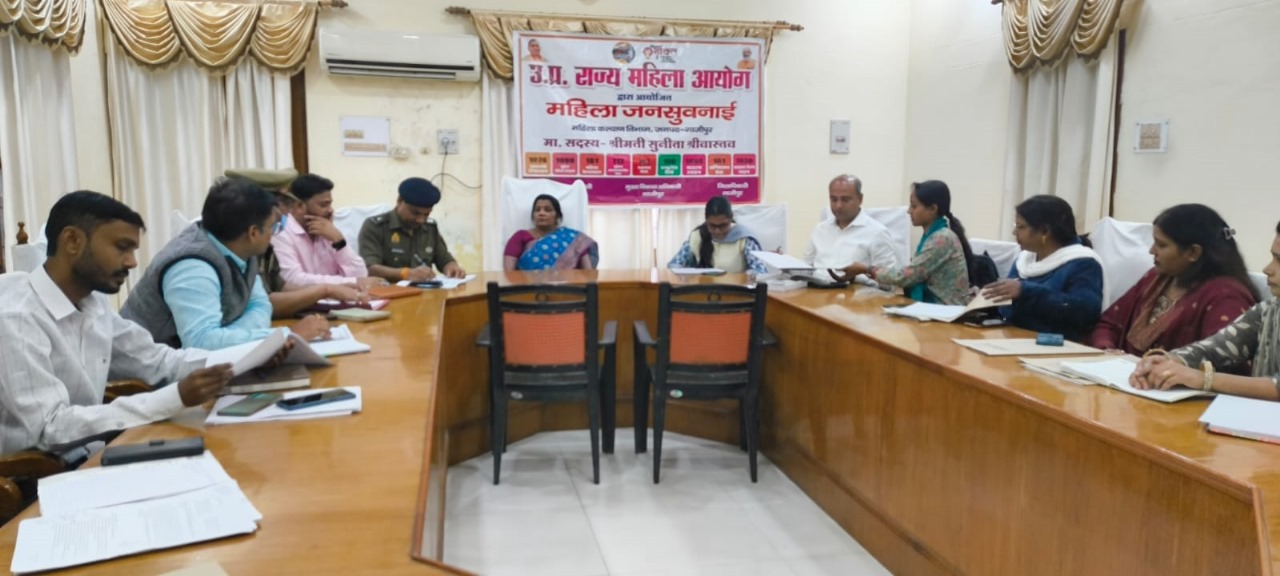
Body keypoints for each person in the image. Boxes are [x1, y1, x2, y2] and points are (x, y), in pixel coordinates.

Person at [0, 192, 234, 458]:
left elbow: (156, 361)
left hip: (90, 455)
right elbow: (51, 428)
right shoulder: (17, 317)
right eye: (122, 247)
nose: (132, 262)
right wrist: (175, 397)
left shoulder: (92, 302)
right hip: (33, 475)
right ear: (72, 241)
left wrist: (247, 360)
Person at [122, 177, 284, 349]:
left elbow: (261, 306)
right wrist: (280, 336)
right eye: (272, 227)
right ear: (253, 233)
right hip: (138, 363)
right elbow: (201, 343)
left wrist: (226, 338)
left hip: (200, 362)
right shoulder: (191, 266)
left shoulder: (242, 252)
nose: (273, 234)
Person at [1132, 220, 1280, 400]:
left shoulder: (1227, 293)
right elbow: (1216, 349)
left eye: (1279, 260)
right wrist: (1169, 362)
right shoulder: (1269, 310)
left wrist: (1204, 379)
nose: (1268, 269)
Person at [1089, 204, 1259, 355]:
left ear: (1193, 252)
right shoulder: (1155, 278)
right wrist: (1108, 350)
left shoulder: (1226, 297)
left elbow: (1218, 363)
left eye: (1161, 245)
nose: (1151, 251)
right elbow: (1108, 324)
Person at [224, 167, 365, 327]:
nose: (276, 230)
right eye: (276, 222)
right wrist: (326, 290)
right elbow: (267, 301)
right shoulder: (244, 246)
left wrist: (339, 242)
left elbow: (281, 287)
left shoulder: (325, 230)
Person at [982, 195, 1105, 342]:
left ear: (1045, 231)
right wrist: (986, 301)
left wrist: (1025, 291)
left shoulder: (1083, 263)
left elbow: (1085, 313)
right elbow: (1007, 309)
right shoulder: (1024, 260)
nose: (1014, 232)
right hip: (1015, 337)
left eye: (1021, 227)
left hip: (1057, 345)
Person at [831, 180, 974, 305]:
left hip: (944, 313)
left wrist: (866, 269)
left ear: (932, 209)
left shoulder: (941, 238)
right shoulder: (933, 235)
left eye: (914, 206)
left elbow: (907, 276)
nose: (908, 211)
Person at [271, 173, 378, 288]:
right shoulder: (281, 232)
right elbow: (292, 279)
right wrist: (349, 282)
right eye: (323, 205)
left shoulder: (328, 230)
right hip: (305, 299)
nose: (331, 210)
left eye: (330, 204)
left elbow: (360, 274)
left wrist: (339, 241)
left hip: (338, 296)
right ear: (299, 206)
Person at [359, 177, 467, 282]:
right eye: (415, 213)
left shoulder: (430, 228)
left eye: (426, 214)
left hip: (425, 291)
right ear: (399, 201)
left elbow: (444, 259)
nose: (420, 220)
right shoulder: (376, 226)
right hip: (389, 290)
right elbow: (370, 268)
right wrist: (405, 274)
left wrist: (452, 267)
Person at [803, 174, 901, 281]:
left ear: (860, 199)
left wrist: (864, 273)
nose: (838, 205)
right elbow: (805, 267)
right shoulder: (820, 229)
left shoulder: (877, 232)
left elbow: (889, 281)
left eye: (845, 200)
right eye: (834, 199)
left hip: (859, 290)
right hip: (816, 289)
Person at [668, 196, 768, 274]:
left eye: (722, 225)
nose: (717, 231)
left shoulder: (745, 239)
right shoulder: (698, 236)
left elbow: (761, 271)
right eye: (712, 225)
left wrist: (747, 276)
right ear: (706, 220)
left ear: (731, 218)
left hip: (736, 291)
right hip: (702, 291)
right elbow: (673, 265)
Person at [503, 194, 598, 271]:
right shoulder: (520, 236)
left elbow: (588, 274)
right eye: (537, 210)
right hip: (527, 287)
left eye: (547, 210)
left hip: (567, 287)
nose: (541, 213)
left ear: (557, 216)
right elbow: (509, 273)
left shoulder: (574, 239)